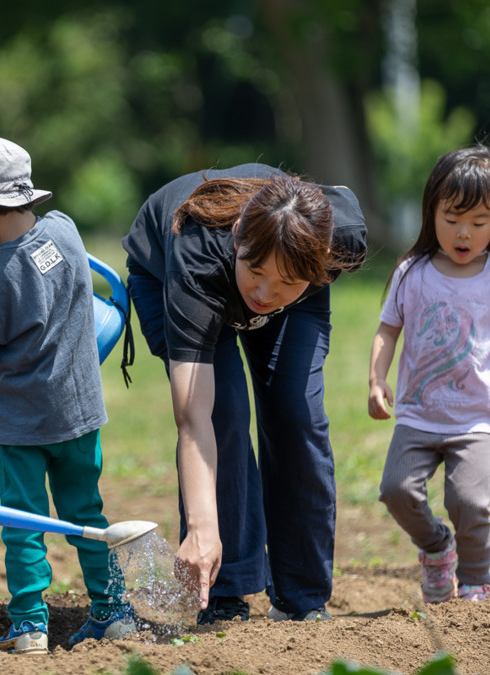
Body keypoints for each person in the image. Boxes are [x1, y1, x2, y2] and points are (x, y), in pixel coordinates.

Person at [122, 164, 367, 624]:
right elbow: (193, 418)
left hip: (293, 262)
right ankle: (222, 590)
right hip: (171, 275)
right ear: (238, 235)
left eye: (284, 284)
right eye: (255, 271)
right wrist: (200, 527)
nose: (264, 293)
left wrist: (284, 279)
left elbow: (335, 196)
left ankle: (301, 598)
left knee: (297, 415)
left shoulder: (341, 239)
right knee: (224, 412)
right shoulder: (197, 254)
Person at [0, 136, 136, 654]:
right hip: (82, 413)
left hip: (21, 426)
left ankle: (29, 627)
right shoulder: (64, 229)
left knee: (22, 524)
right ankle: (112, 612)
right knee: (87, 513)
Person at [367, 135, 490, 604]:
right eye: (452, 219)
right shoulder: (413, 272)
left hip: (475, 418)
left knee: (469, 504)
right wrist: (376, 379)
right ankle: (436, 548)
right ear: (432, 214)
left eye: (478, 221)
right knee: (395, 490)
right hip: (417, 415)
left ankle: (475, 581)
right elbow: (387, 330)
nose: (463, 233)